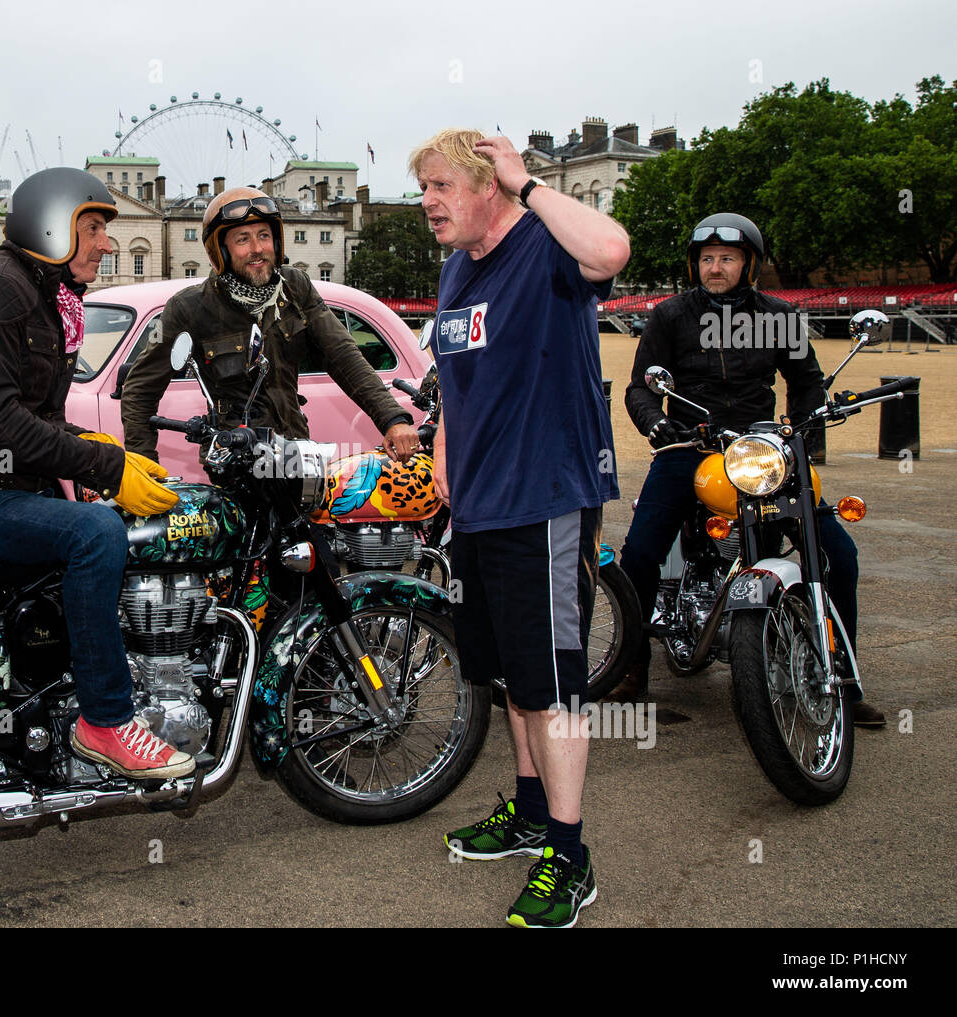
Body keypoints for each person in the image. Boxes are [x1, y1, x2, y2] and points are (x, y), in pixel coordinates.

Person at [412, 129, 629, 929]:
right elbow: (454, 371)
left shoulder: (544, 243)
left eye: (440, 186)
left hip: (543, 498)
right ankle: (533, 811)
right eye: (422, 189)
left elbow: (612, 248)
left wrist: (528, 182)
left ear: (489, 186)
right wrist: (441, 444)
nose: (428, 202)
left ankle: (570, 856)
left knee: (554, 686)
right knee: (508, 676)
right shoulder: (453, 269)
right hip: (477, 503)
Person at [0, 166, 194, 780]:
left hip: (1, 487)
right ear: (51, 226)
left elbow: (30, 417)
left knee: (110, 524)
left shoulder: (41, 298)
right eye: (92, 226)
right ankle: (107, 720)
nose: (107, 242)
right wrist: (102, 462)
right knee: (94, 533)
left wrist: (96, 447)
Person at [614, 212, 884, 728]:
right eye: (708, 259)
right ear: (696, 264)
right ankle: (632, 670)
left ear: (749, 264)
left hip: (762, 449)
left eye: (728, 258)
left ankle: (843, 678)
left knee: (839, 553)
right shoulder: (671, 315)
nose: (716, 268)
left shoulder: (780, 315)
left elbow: (806, 381)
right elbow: (639, 388)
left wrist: (801, 425)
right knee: (640, 553)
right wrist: (657, 425)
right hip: (691, 444)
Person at [120, 186, 418, 464]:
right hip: (235, 460)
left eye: (264, 236)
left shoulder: (295, 287)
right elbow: (140, 388)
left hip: (293, 450)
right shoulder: (189, 307)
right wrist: (144, 468)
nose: (257, 248)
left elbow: (342, 355)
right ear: (219, 251)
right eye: (242, 239)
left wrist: (392, 418)